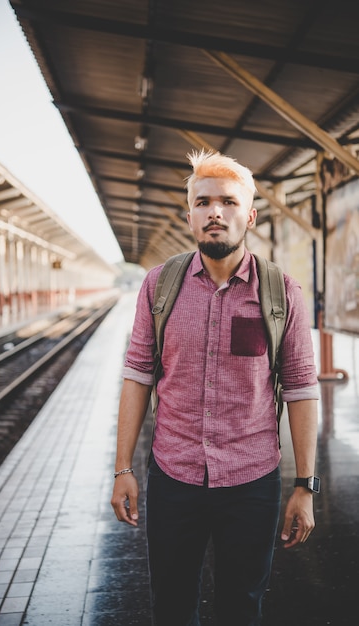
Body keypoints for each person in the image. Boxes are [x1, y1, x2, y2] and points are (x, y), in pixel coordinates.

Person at [111, 149, 319, 626]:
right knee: (171, 607)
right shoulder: (158, 286)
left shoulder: (281, 293)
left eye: (227, 202)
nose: (215, 213)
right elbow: (138, 374)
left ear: (249, 214)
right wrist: (123, 468)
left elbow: (302, 389)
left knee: (241, 608)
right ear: (189, 215)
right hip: (174, 475)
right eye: (203, 203)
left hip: (252, 480)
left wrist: (305, 486)